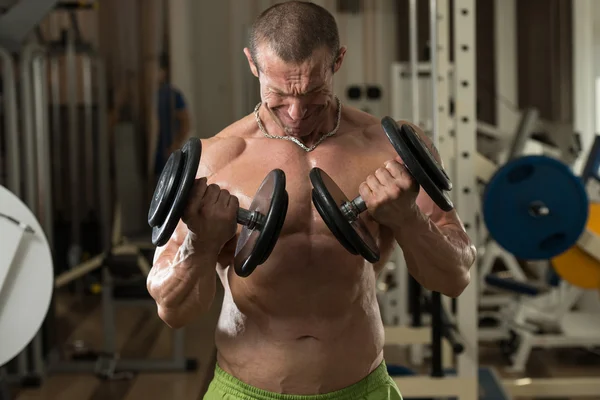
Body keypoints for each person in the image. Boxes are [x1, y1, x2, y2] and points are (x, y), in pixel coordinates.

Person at [147, 2, 477, 399]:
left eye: (313, 93)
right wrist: (201, 244)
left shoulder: (390, 150)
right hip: (245, 391)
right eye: (279, 95)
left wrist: (408, 219)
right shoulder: (214, 161)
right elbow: (172, 311)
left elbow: (455, 278)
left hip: (362, 389)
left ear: (338, 60)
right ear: (253, 64)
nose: (297, 112)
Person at [152, 53, 191, 182]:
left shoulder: (172, 95)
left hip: (166, 154)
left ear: (163, 72)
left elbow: (186, 123)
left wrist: (175, 146)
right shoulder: (141, 95)